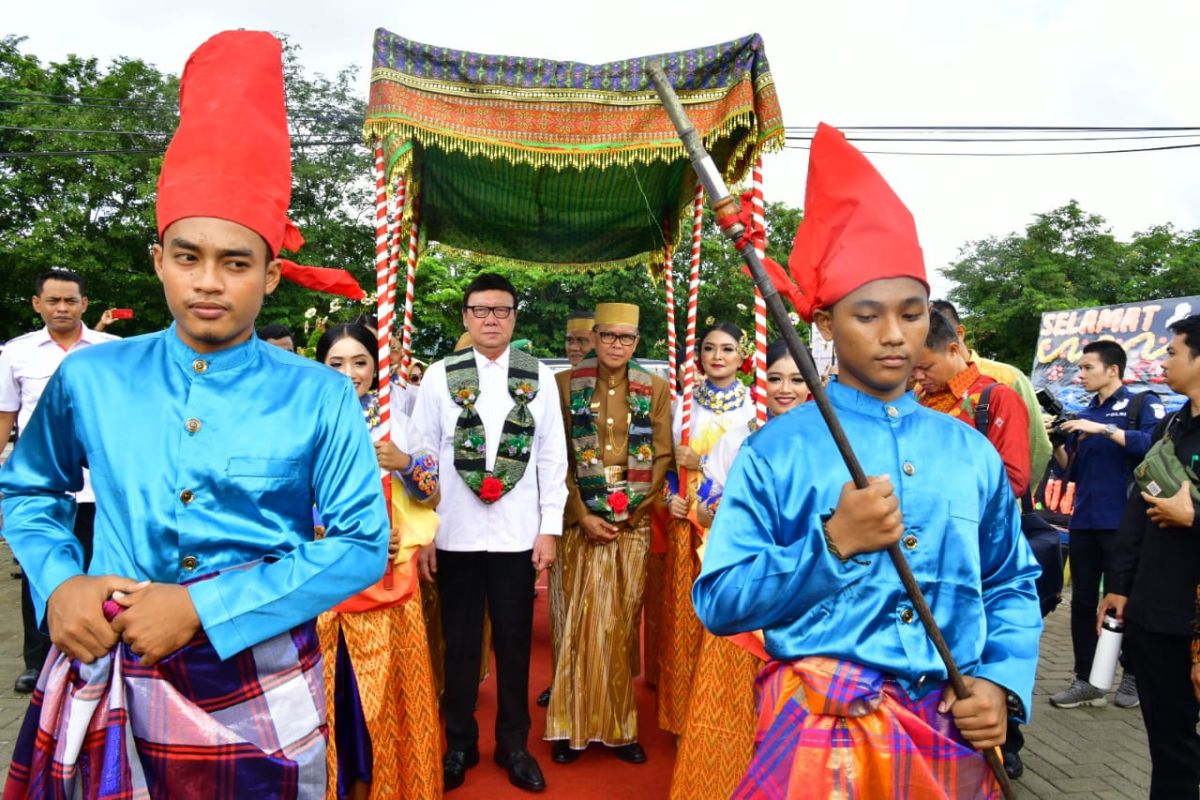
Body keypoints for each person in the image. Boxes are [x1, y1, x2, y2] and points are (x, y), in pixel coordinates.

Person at [0, 31, 391, 798]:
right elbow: (29, 492)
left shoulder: (318, 394)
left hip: (264, 675)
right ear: (158, 260)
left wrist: (203, 607)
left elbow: (358, 548)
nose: (209, 282)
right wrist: (59, 584)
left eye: (236, 262)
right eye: (188, 256)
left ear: (272, 274)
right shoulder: (93, 375)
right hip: (111, 659)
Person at [693, 123, 1042, 799]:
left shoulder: (968, 449)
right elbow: (720, 601)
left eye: (912, 315)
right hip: (821, 739)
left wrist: (1001, 682)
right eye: (867, 315)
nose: (893, 335)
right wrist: (832, 545)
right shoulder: (778, 449)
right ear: (824, 323)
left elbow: (1010, 582)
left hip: (948, 731)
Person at [410, 272, 568, 793]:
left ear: (514, 317)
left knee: (515, 641)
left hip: (517, 535)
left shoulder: (538, 376)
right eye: (480, 310)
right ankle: (458, 744)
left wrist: (548, 529)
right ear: (465, 317)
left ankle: (513, 743)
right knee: (458, 644)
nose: (491, 319)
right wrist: (425, 531)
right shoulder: (440, 375)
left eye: (501, 310)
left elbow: (551, 457)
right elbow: (424, 455)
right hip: (454, 531)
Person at [669, 338, 808, 800]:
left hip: (806, 592)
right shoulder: (742, 433)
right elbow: (709, 507)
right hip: (746, 585)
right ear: (760, 381)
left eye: (796, 379)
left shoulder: (830, 438)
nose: (785, 389)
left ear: (813, 385)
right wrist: (710, 513)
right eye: (776, 378)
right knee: (732, 703)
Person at [314, 323, 441, 800]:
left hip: (388, 582)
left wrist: (405, 462)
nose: (350, 374)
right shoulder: (304, 417)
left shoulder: (397, 420)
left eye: (360, 362)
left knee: (386, 697)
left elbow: (431, 495)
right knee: (333, 692)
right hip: (324, 582)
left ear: (376, 366)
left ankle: (389, 780)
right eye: (337, 363)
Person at [544, 302, 672, 764]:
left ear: (637, 343)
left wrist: (628, 513)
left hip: (629, 523)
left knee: (618, 625)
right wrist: (581, 512)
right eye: (609, 336)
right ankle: (570, 726)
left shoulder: (655, 389)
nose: (617, 345)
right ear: (594, 337)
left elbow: (661, 456)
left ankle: (620, 727)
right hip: (579, 518)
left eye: (627, 338)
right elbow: (553, 458)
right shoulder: (562, 386)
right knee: (577, 624)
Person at [0, 268, 119, 694]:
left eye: (70, 300)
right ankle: (40, 662)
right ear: (37, 304)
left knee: (97, 572)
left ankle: (102, 656)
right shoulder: (17, 353)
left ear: (85, 304)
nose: (62, 308)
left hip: (102, 488)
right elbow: (6, 418)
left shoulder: (113, 351)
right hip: (41, 488)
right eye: (53, 301)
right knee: (41, 575)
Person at [1099, 314, 1200, 798]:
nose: (1164, 360)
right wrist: (1119, 585)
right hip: (1157, 615)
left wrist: (1195, 518)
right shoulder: (1177, 424)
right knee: (1169, 744)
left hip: (1195, 619)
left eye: (1173, 351)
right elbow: (1139, 510)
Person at [1049, 339, 1165, 710]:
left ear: (1112, 370)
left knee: (1122, 600)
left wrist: (1102, 430)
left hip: (1125, 523)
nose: (1080, 375)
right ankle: (1086, 678)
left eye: (1087, 368)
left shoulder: (1140, 404)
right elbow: (1073, 469)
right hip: (1083, 520)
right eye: (1079, 368)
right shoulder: (1086, 411)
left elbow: (1152, 447)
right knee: (1082, 602)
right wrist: (1057, 441)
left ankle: (1132, 674)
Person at [660, 321, 756, 734]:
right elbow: (663, 465)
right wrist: (671, 496)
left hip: (733, 523)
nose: (718, 356)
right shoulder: (682, 406)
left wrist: (700, 464)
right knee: (685, 617)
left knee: (729, 618)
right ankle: (681, 715)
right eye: (710, 348)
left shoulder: (756, 408)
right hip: (687, 519)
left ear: (742, 356)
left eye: (728, 349)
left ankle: (729, 711)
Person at [914, 309, 1031, 500]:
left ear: (953, 350)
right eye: (912, 368)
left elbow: (1013, 480)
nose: (918, 376)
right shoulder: (917, 397)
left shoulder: (998, 397)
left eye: (926, 367)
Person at [930, 300, 1052, 483]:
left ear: (959, 334)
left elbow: (1037, 447)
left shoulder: (1007, 378)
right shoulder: (922, 388)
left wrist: (1013, 501)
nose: (919, 374)